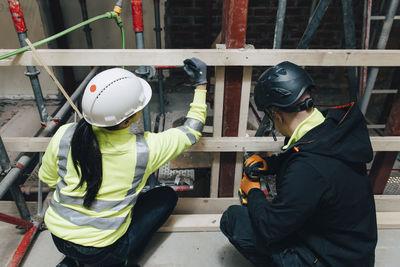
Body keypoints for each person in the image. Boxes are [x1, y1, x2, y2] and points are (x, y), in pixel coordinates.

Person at [38, 58, 208, 267]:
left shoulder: (66, 133)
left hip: (59, 238)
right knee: (166, 196)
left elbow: (47, 177)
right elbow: (191, 130)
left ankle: (73, 261)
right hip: (103, 249)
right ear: (129, 119)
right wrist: (201, 84)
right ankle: (116, 261)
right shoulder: (146, 149)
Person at [220, 61, 377, 267]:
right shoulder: (333, 129)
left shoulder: (306, 169)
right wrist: (271, 164)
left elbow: (270, 229)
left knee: (233, 219)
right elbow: (306, 151)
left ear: (276, 114)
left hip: (330, 261)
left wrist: (253, 192)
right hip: (352, 252)